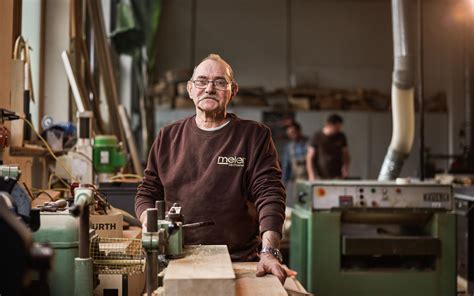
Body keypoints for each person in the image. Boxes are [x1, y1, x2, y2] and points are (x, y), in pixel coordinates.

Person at [135, 54, 288, 283]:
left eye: (219, 82)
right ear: (190, 89)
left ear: (233, 90)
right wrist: (151, 222)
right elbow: (148, 191)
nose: (209, 88)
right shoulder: (168, 136)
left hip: (238, 261)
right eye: (201, 81)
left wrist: (269, 252)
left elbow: (270, 195)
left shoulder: (254, 136)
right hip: (175, 259)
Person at [306, 114, 350, 180]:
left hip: (337, 175)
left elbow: (345, 153)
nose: (338, 129)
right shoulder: (317, 136)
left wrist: (345, 167)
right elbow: (310, 157)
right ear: (329, 124)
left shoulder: (341, 136)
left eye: (339, 127)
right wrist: (311, 174)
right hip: (320, 175)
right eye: (336, 127)